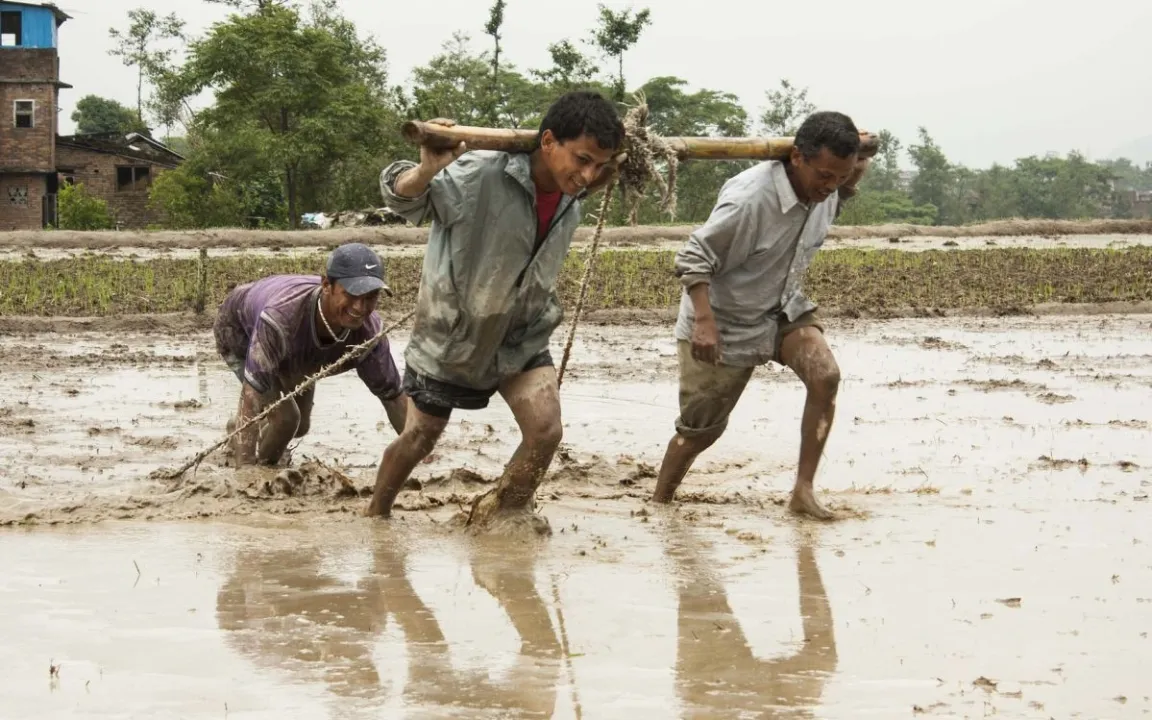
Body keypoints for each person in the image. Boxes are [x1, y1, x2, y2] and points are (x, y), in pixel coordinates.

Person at [365, 90, 626, 524]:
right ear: (547, 142)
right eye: (581, 159)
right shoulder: (478, 174)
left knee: (545, 431)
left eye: (599, 165)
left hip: (522, 332)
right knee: (419, 438)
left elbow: (602, 168)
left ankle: (502, 517)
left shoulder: (574, 188)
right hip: (456, 335)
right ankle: (376, 515)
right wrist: (427, 169)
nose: (588, 175)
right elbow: (403, 198)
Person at [652, 111, 871, 520]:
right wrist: (704, 322)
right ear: (798, 159)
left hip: (782, 306)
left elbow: (843, 184)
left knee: (825, 376)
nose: (830, 187)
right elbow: (694, 257)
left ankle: (803, 493)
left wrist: (851, 171)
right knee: (701, 430)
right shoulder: (751, 199)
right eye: (824, 175)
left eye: (839, 178)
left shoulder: (830, 187)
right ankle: (659, 503)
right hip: (725, 318)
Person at [213, 243, 407, 466]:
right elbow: (251, 398)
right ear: (326, 285)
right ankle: (264, 469)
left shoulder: (369, 334)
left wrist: (424, 453)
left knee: (301, 424)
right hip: (239, 330)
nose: (360, 307)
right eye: (352, 294)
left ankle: (243, 431)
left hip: (299, 347)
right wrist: (245, 474)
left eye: (371, 297)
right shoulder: (280, 320)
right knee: (287, 419)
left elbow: (393, 397)